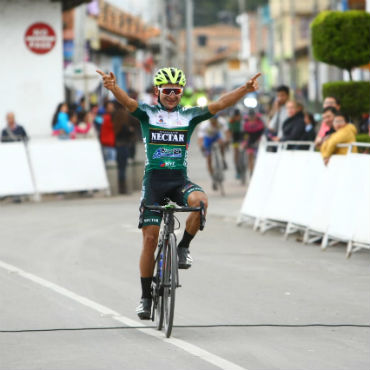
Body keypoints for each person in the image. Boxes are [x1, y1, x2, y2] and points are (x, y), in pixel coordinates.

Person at [96, 66, 261, 320]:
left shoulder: (189, 115)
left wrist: (245, 89)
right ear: (158, 91)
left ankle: (183, 246)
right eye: (168, 91)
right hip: (154, 181)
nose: (173, 95)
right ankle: (146, 298)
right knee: (150, 239)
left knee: (201, 201)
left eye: (177, 91)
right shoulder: (148, 114)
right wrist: (112, 87)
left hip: (178, 180)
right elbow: (128, 102)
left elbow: (219, 104)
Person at [112, 102, 139, 194]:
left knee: (119, 167)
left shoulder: (114, 115)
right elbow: (136, 124)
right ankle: (123, 189)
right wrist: (130, 130)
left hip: (117, 144)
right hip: (125, 144)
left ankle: (120, 187)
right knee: (123, 167)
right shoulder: (125, 115)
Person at [198, 115, 228, 190]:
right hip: (208, 139)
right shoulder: (204, 125)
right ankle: (213, 178)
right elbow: (200, 139)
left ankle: (223, 159)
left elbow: (227, 132)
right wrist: (202, 146)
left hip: (216, 136)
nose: (214, 124)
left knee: (222, 143)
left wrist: (227, 140)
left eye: (215, 122)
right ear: (210, 121)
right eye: (212, 122)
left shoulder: (221, 121)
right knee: (209, 159)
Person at [242, 109, 264, 176]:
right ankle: (251, 172)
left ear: (255, 116)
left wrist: (260, 141)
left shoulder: (260, 122)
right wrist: (244, 143)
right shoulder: (246, 123)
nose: (251, 118)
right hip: (250, 139)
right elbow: (245, 135)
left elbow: (262, 133)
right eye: (250, 117)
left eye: (253, 117)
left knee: (258, 155)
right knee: (250, 155)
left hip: (258, 138)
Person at [227, 108, 243, 178]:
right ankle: (237, 169)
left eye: (238, 116)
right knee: (236, 151)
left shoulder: (243, 120)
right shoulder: (231, 121)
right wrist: (229, 139)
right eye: (235, 116)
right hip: (235, 136)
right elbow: (229, 131)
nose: (237, 118)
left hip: (242, 134)